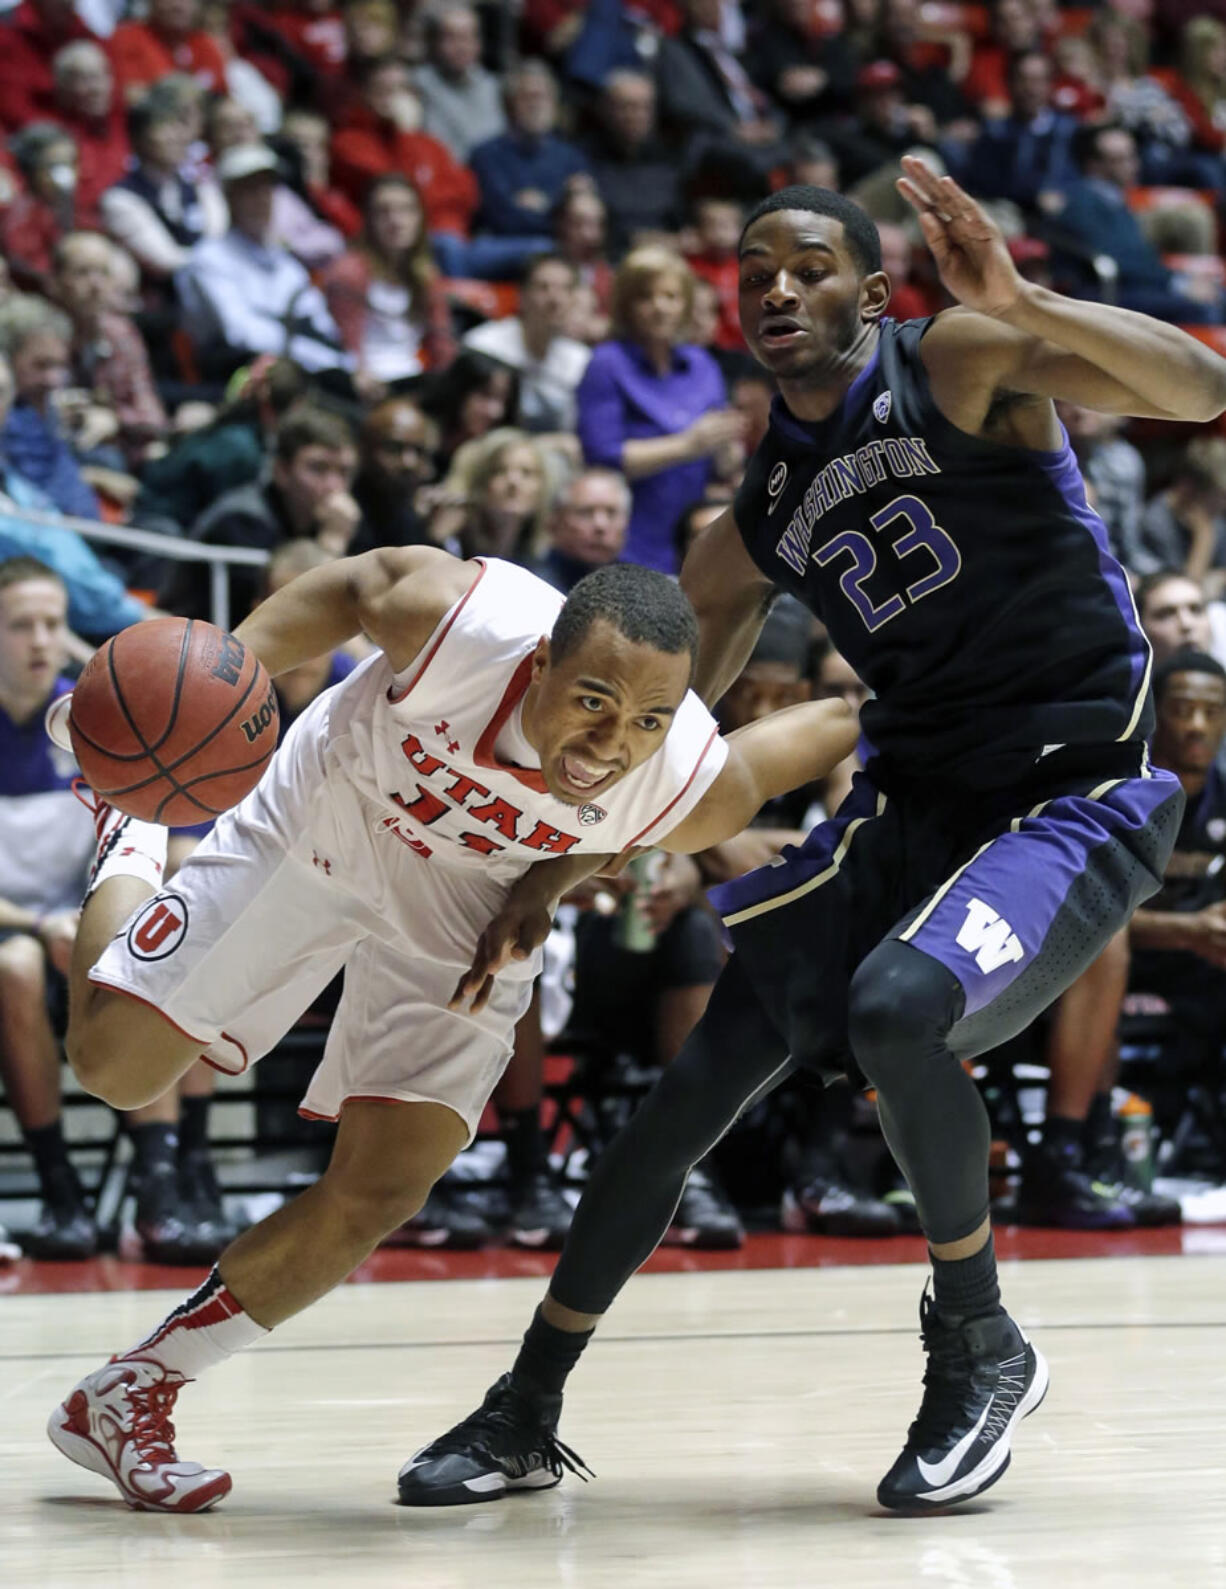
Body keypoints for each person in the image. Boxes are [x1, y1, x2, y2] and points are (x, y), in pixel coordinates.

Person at [403, 165, 1224, 1512]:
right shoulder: (761, 512)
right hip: (911, 802)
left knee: (898, 1008)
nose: (775, 285)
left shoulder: (956, 359)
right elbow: (671, 724)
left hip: (1071, 788)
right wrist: (564, 865)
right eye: (754, 270)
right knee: (690, 1088)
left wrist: (1024, 300)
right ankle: (522, 1406)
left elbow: (1196, 384)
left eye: (807, 264)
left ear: (872, 292)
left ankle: (976, 1343)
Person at [44, 550, 858, 1510]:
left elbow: (833, 727)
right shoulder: (465, 621)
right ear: (543, 659)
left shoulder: (682, 777)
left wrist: (550, 878)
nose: (611, 742)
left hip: (470, 896)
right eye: (592, 700)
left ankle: (133, 1388)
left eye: (647, 719)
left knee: (388, 1179)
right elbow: (348, 589)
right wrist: (192, 711)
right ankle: (126, 818)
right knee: (114, 1069)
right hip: (335, 805)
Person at [575, 246, 742, 575]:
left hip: (694, 541)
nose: (660, 307)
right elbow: (602, 457)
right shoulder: (607, 363)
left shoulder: (702, 364)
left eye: (671, 296)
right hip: (629, 541)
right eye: (646, 297)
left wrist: (727, 448)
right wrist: (688, 445)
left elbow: (723, 461)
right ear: (626, 306)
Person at [162, 406, 361, 624]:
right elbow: (296, 617)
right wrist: (333, 541)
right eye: (318, 468)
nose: (334, 486)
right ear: (281, 471)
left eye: (344, 472)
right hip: (192, 642)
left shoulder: (329, 519)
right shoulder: (242, 522)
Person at [176, 143, 351, 382]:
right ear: (229, 197)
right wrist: (326, 362)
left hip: (302, 370)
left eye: (267, 189)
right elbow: (243, 335)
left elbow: (319, 323)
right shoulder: (209, 258)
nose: (261, 200)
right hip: (237, 376)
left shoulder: (283, 259)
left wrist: (342, 364)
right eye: (249, 190)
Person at [1129, 651, 1226, 1059]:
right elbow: (1073, 919)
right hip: (1119, 962)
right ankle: (1079, 1123)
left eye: (1213, 712)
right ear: (1154, 715)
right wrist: (1187, 930)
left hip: (1202, 970)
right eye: (1183, 711)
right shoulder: (1117, 798)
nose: (1197, 727)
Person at [320, 173, 455, 397]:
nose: (396, 221)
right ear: (369, 219)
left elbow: (441, 343)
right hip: (364, 384)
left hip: (413, 380)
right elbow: (345, 346)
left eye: (406, 210)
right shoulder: (348, 273)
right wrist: (361, 376)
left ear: (420, 218)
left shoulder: (426, 275)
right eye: (384, 212)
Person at [461, 254, 590, 435]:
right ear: (522, 295)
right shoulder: (483, 346)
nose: (555, 299)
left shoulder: (581, 360)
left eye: (565, 289)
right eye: (543, 288)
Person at [531, 467, 630, 595]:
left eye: (611, 513)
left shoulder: (642, 589)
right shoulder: (531, 586)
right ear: (556, 522)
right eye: (585, 512)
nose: (601, 525)